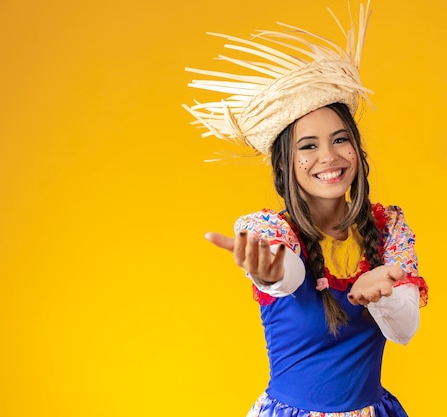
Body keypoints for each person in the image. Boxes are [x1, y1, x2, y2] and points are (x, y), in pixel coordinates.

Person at [183, 3, 428, 416]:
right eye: (308, 146)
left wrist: (380, 293)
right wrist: (272, 272)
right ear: (284, 164)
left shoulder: (389, 228)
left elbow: (404, 331)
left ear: (357, 148)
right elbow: (286, 271)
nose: (328, 157)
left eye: (339, 140)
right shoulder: (270, 231)